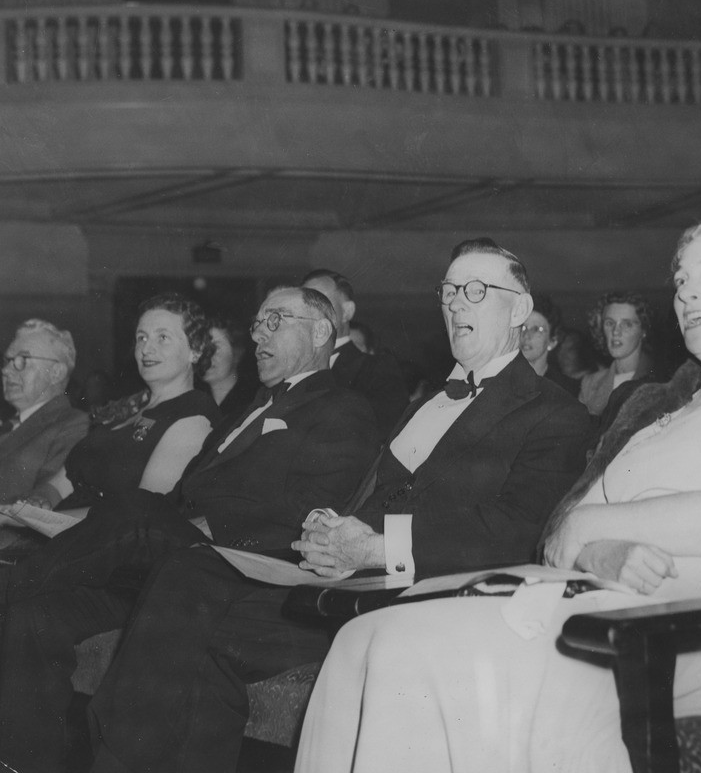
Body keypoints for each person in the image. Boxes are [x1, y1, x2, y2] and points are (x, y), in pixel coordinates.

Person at [294, 210, 701, 773]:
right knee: (370, 640)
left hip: (693, 629)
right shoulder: (655, 408)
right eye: (682, 278)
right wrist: (598, 549)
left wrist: (593, 532)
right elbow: (559, 537)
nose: (688, 292)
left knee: (426, 659)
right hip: (591, 599)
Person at [84, 241, 590, 773]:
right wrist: (332, 528)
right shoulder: (427, 404)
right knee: (193, 579)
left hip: (419, 597)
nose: (456, 304)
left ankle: (113, 758)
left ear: (518, 309)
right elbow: (371, 493)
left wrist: (374, 546)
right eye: (448, 292)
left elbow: (517, 530)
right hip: (342, 580)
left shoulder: (554, 414)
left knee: (195, 606)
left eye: (476, 291)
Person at [0, 287, 379, 773]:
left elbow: (307, 512)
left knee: (136, 510)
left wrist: (201, 525)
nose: (259, 334)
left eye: (276, 321)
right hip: (174, 558)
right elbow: (186, 494)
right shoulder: (247, 410)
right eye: (257, 323)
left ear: (322, 331)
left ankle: (9, 585)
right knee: (39, 613)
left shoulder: (341, 407)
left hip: (236, 565)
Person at [19, 296, 217, 513]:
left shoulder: (194, 414)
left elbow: (141, 513)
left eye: (162, 337)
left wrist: (51, 520)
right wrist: (40, 500)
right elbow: (61, 482)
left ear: (195, 350)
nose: (146, 349)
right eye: (142, 338)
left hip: (109, 538)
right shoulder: (128, 408)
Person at [301, 269, 409, 438]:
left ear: (347, 312)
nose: (308, 313)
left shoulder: (376, 369)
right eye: (303, 305)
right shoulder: (289, 369)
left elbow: (387, 432)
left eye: (320, 302)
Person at [0, 319, 89, 504]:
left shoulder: (74, 425)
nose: (6, 371)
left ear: (56, 372)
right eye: (7, 360)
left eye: (22, 360)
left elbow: (43, 505)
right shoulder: (8, 425)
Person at [578, 291, 657, 417]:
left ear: (643, 331)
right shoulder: (590, 383)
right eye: (610, 323)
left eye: (627, 324)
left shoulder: (659, 381)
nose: (616, 331)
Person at [519, 293, 580, 396]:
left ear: (552, 341)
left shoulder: (566, 389)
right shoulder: (502, 382)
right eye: (523, 327)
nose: (526, 336)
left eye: (536, 329)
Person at [202, 314, 257, 420]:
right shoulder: (195, 401)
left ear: (237, 352)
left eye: (216, 347)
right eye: (203, 347)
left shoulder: (252, 403)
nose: (206, 355)